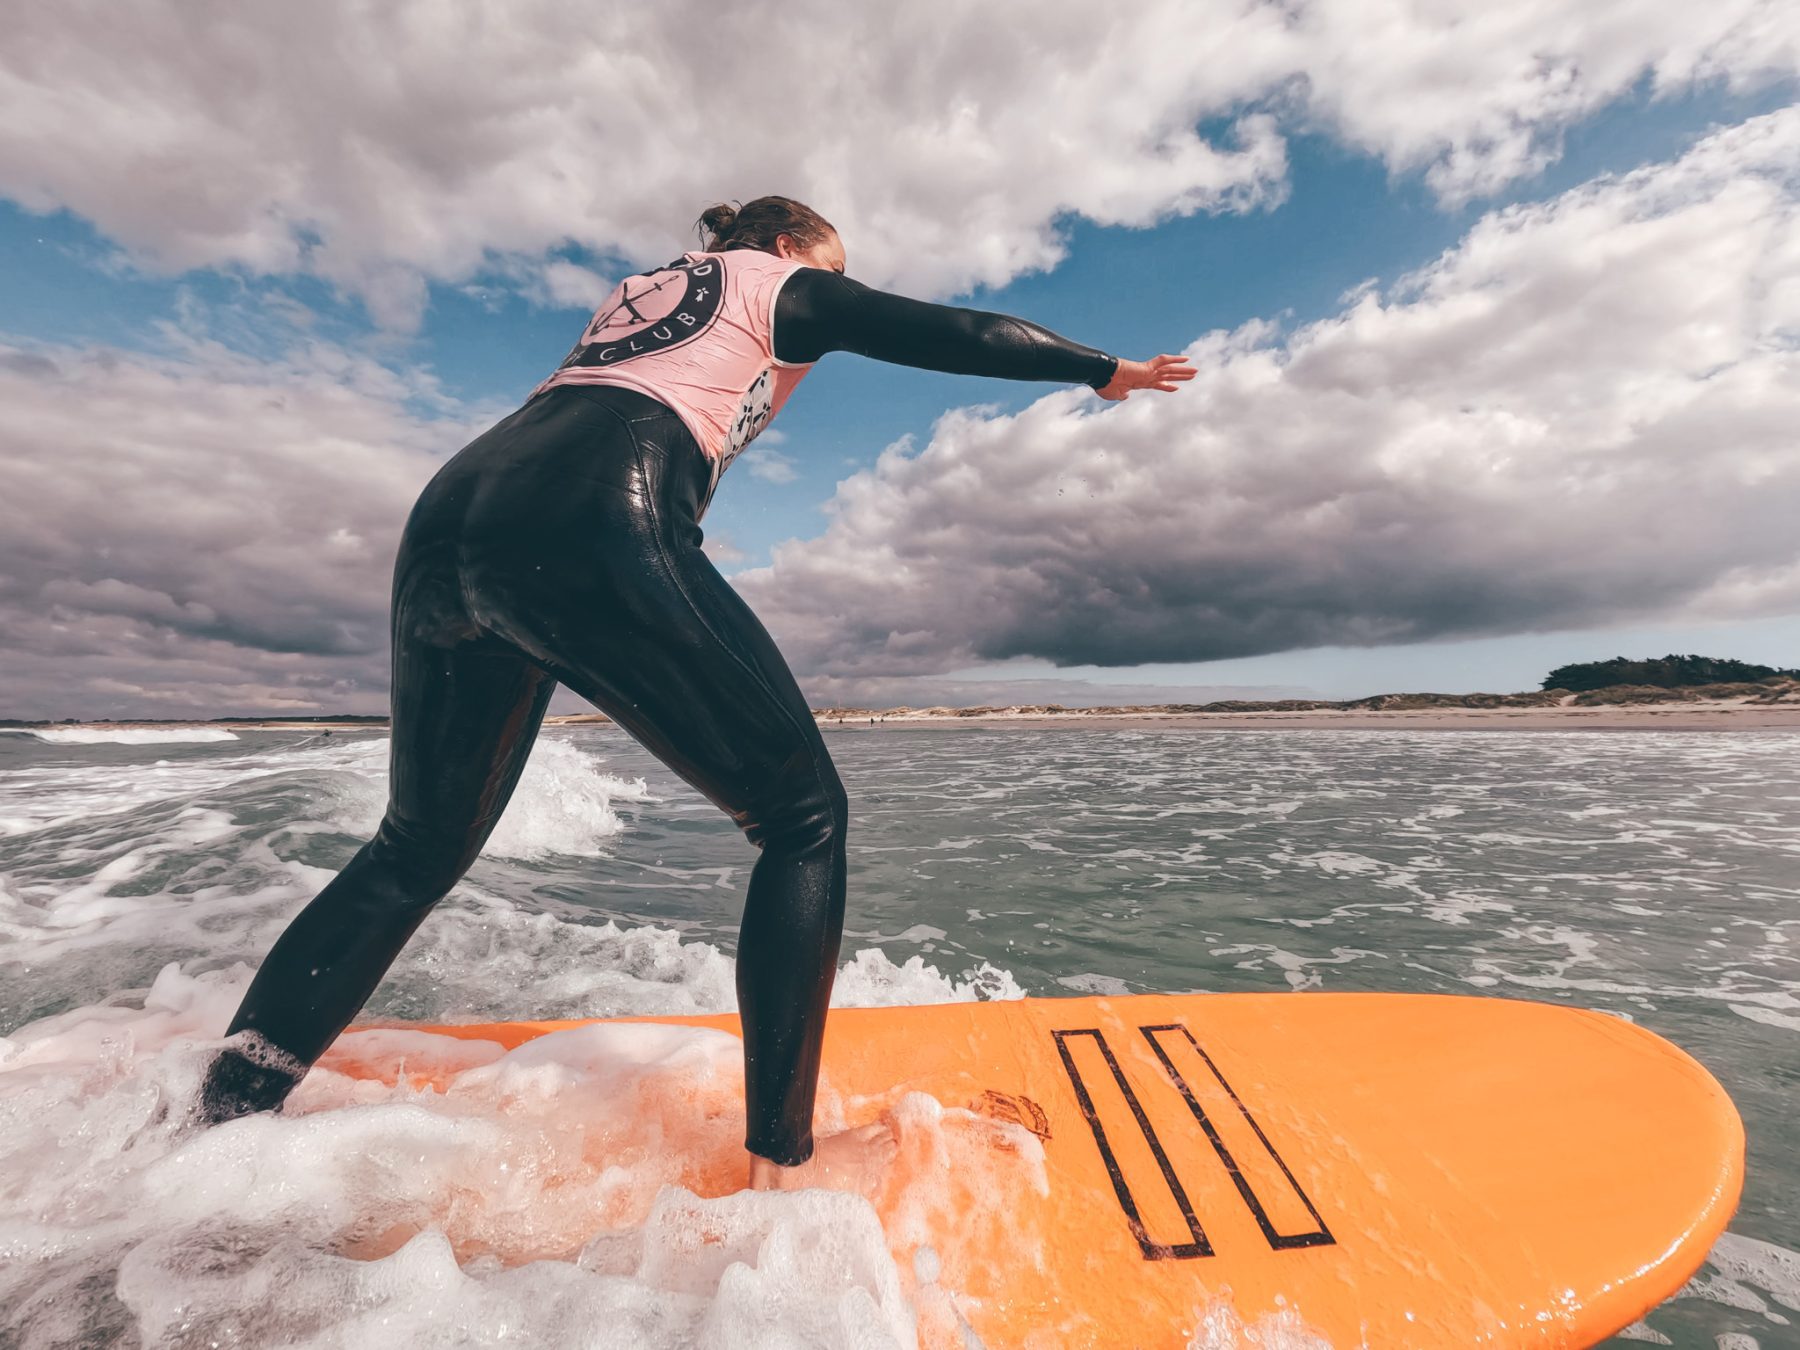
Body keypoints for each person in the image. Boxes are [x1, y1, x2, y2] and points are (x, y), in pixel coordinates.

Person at [199, 195, 1196, 1190]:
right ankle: (782, 1170)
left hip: (454, 510)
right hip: (593, 502)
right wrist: (1105, 369)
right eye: (831, 268)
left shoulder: (645, 287)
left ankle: (214, 1122)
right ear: (787, 245)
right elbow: (953, 330)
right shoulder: (778, 280)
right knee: (803, 817)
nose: (832, 290)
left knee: (413, 847)